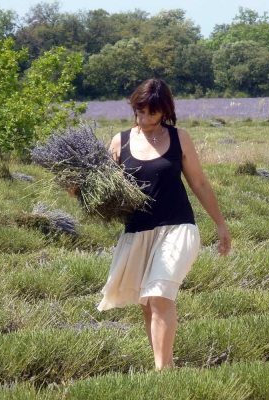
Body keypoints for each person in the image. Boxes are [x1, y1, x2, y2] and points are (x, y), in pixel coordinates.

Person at [97, 78, 231, 370]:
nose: (144, 119)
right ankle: (167, 370)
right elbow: (103, 192)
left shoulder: (180, 138)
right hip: (139, 232)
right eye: (139, 112)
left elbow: (199, 182)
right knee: (148, 303)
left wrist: (221, 225)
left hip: (178, 227)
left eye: (151, 114)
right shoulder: (120, 141)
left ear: (164, 111)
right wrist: (78, 189)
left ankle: (161, 373)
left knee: (159, 295)